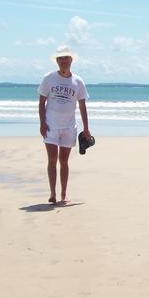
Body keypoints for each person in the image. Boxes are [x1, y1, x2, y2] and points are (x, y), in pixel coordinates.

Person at [38, 46, 92, 204]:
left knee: (64, 160)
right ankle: (53, 193)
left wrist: (86, 128)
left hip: (69, 126)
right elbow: (42, 102)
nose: (63, 61)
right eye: (60, 58)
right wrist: (42, 123)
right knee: (52, 158)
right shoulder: (49, 78)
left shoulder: (78, 81)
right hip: (51, 125)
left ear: (71, 60)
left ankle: (64, 194)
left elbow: (82, 106)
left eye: (66, 58)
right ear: (56, 61)